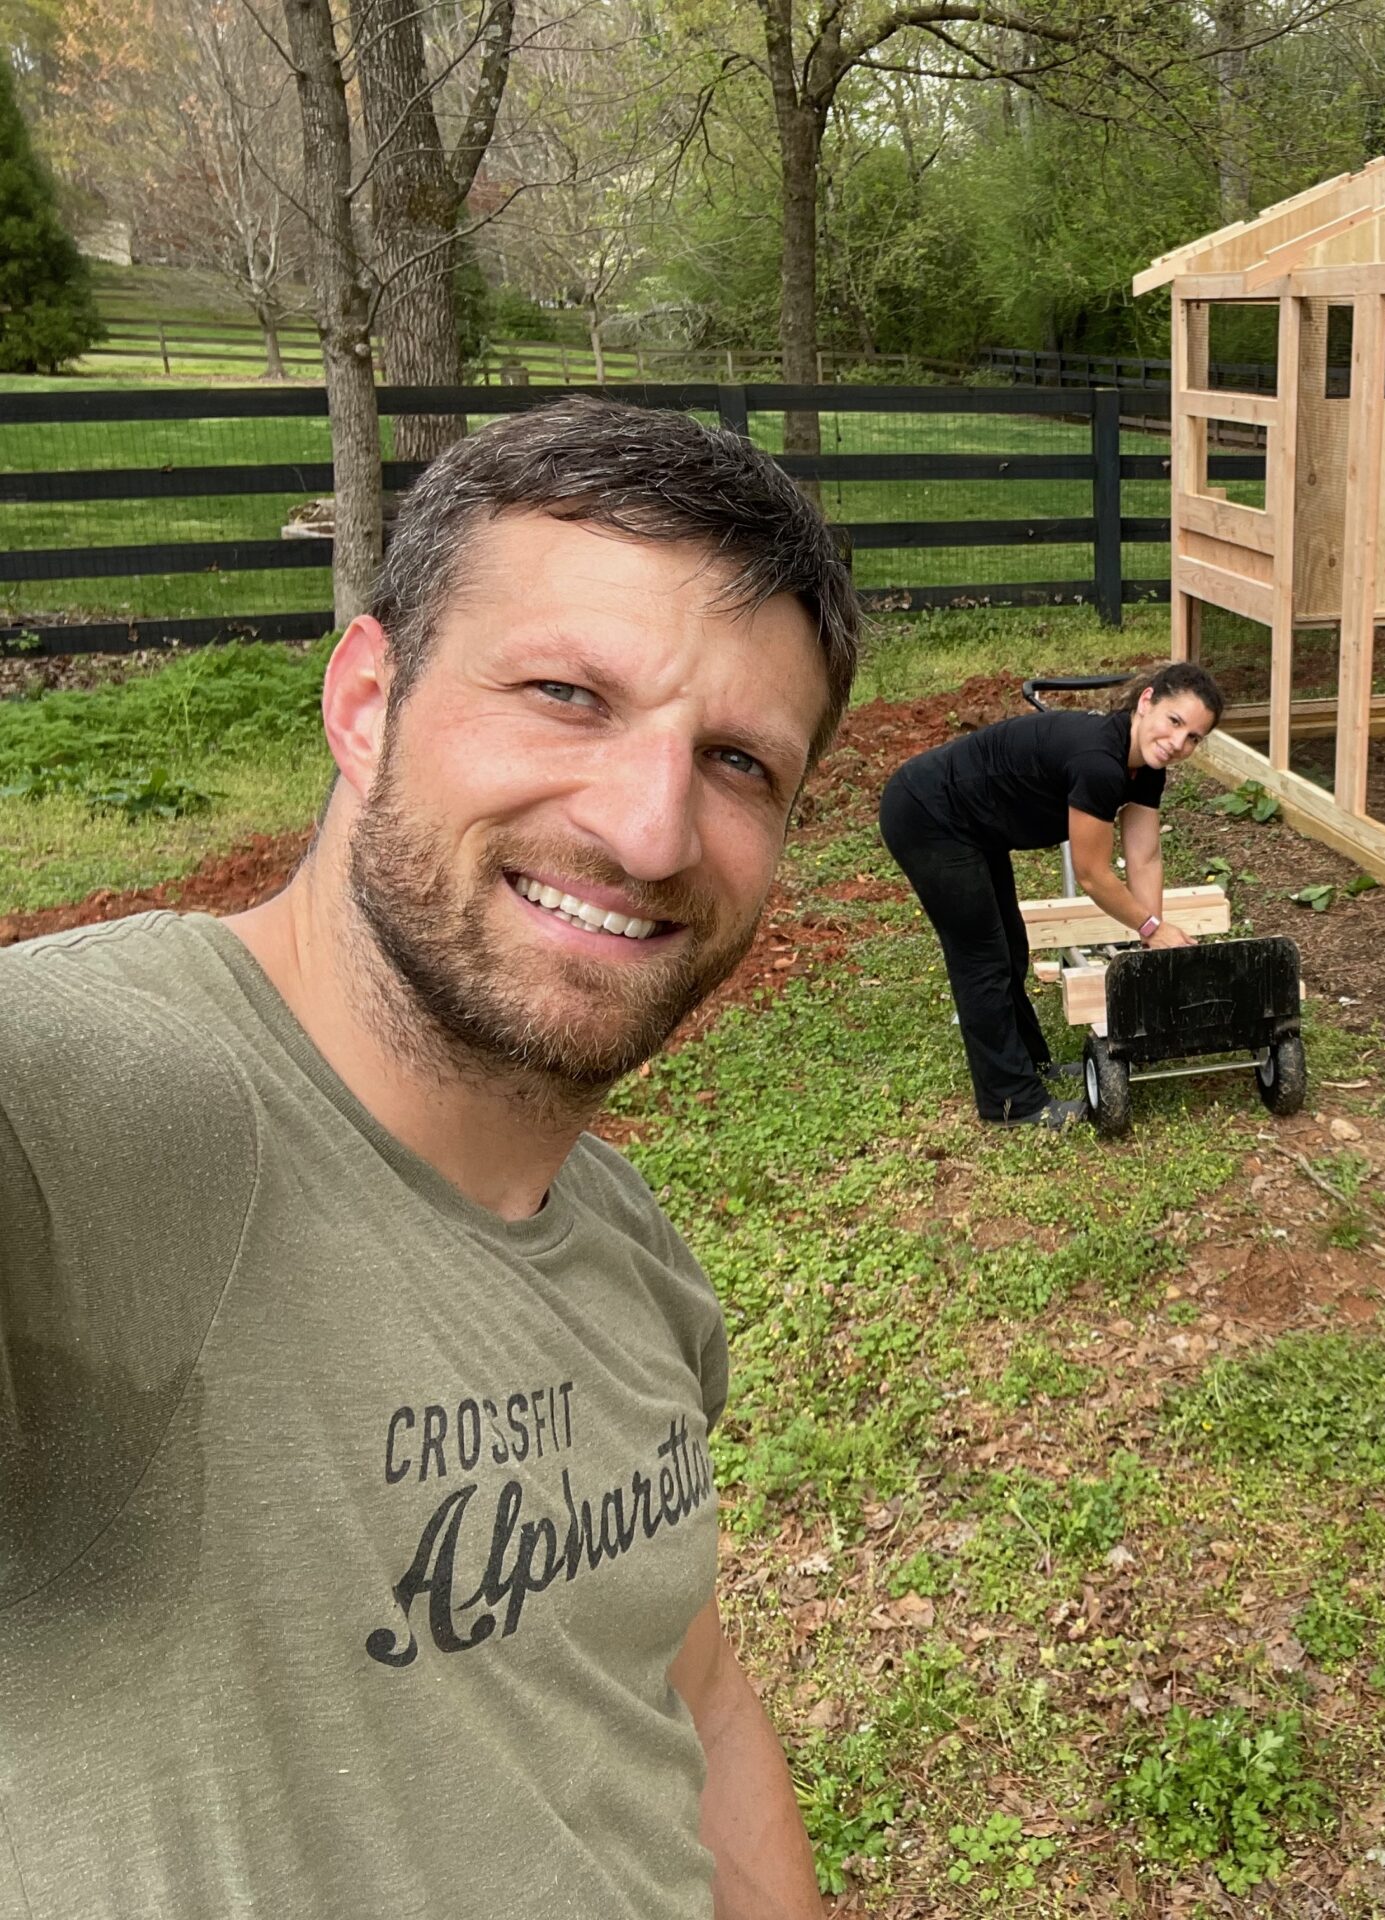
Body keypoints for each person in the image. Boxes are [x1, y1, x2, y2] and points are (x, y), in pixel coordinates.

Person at [0, 398, 856, 1919]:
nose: (652, 829)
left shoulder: (625, 1246)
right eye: (567, 694)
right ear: (365, 700)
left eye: (737, 761)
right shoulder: (101, 1130)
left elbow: (692, 1690)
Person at [880, 662, 1224, 1128]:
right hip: (929, 814)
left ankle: (1029, 1064)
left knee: (1010, 948)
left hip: (974, 827)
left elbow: (1143, 858)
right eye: (1175, 722)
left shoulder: (1146, 770)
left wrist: (1151, 936)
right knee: (981, 957)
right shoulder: (1099, 762)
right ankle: (1012, 1103)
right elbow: (1092, 874)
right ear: (1146, 702)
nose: (1178, 744)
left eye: (1193, 738)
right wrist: (1151, 927)